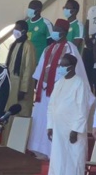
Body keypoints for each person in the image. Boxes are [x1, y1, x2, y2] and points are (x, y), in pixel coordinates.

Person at [28, 19, 91, 159]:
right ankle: (40, 150)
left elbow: (77, 72)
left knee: (55, 119)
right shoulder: (48, 48)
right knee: (42, 118)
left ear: (63, 32)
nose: (54, 32)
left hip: (60, 91)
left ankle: (52, 151)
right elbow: (40, 70)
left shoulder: (70, 48)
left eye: (56, 30)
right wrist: (37, 86)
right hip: (44, 90)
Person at [45, 54, 91, 175]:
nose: (60, 68)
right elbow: (51, 105)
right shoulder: (59, 83)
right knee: (58, 157)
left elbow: (82, 108)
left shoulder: (80, 83)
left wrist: (76, 129)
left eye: (63, 65)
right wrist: (50, 125)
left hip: (73, 128)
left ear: (71, 67)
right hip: (58, 127)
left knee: (74, 158)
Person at [4, 20, 36, 123]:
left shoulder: (28, 46)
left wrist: (23, 89)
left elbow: (29, 69)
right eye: (14, 28)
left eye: (17, 29)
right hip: (10, 84)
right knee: (9, 114)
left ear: (24, 31)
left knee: (20, 114)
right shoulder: (13, 44)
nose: (15, 31)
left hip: (20, 87)